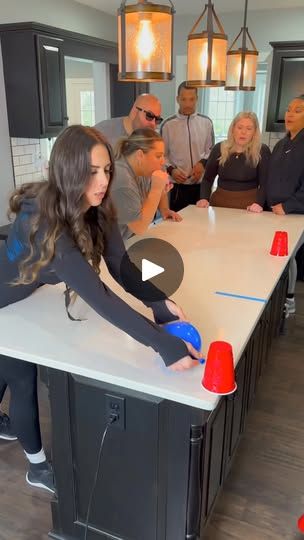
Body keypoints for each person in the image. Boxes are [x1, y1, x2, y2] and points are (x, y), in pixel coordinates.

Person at [0, 125, 202, 492]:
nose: (103, 180)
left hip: (23, 291)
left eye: (106, 169)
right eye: (92, 171)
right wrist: (164, 344)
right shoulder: (49, 227)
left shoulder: (96, 208)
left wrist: (159, 303)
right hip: (3, 295)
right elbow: (102, 299)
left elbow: (121, 265)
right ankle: (37, 467)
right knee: (19, 375)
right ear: (68, 170)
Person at [266, 95, 304, 315]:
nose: (289, 114)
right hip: (274, 212)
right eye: (289, 109)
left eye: (298, 110)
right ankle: (275, 297)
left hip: (295, 213)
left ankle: (289, 300)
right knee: (275, 257)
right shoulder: (281, 144)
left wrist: (288, 206)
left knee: (286, 255)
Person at [111, 128, 182, 242]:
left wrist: (164, 208)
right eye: (158, 156)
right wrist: (156, 190)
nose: (163, 161)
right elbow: (139, 227)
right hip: (104, 253)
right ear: (140, 155)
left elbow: (145, 201)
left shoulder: (142, 169)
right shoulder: (122, 179)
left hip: (126, 241)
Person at [196, 112, 271, 211]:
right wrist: (204, 198)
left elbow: (265, 183)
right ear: (233, 129)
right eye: (239, 127)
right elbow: (207, 179)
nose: (243, 132)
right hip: (219, 205)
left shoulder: (262, 150)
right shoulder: (219, 148)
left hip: (250, 207)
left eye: (249, 129)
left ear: (254, 132)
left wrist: (259, 203)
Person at [160, 81, 214, 211]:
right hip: (177, 186)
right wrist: (171, 170)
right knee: (176, 225)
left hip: (201, 185)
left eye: (191, 99)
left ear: (197, 99)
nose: (188, 104)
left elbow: (211, 150)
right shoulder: (167, 125)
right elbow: (161, 155)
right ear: (177, 99)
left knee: (201, 225)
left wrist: (202, 164)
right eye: (184, 99)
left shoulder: (206, 123)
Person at [95, 93, 163, 149]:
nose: (153, 124)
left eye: (157, 119)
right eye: (149, 116)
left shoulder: (151, 140)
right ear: (135, 111)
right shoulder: (103, 132)